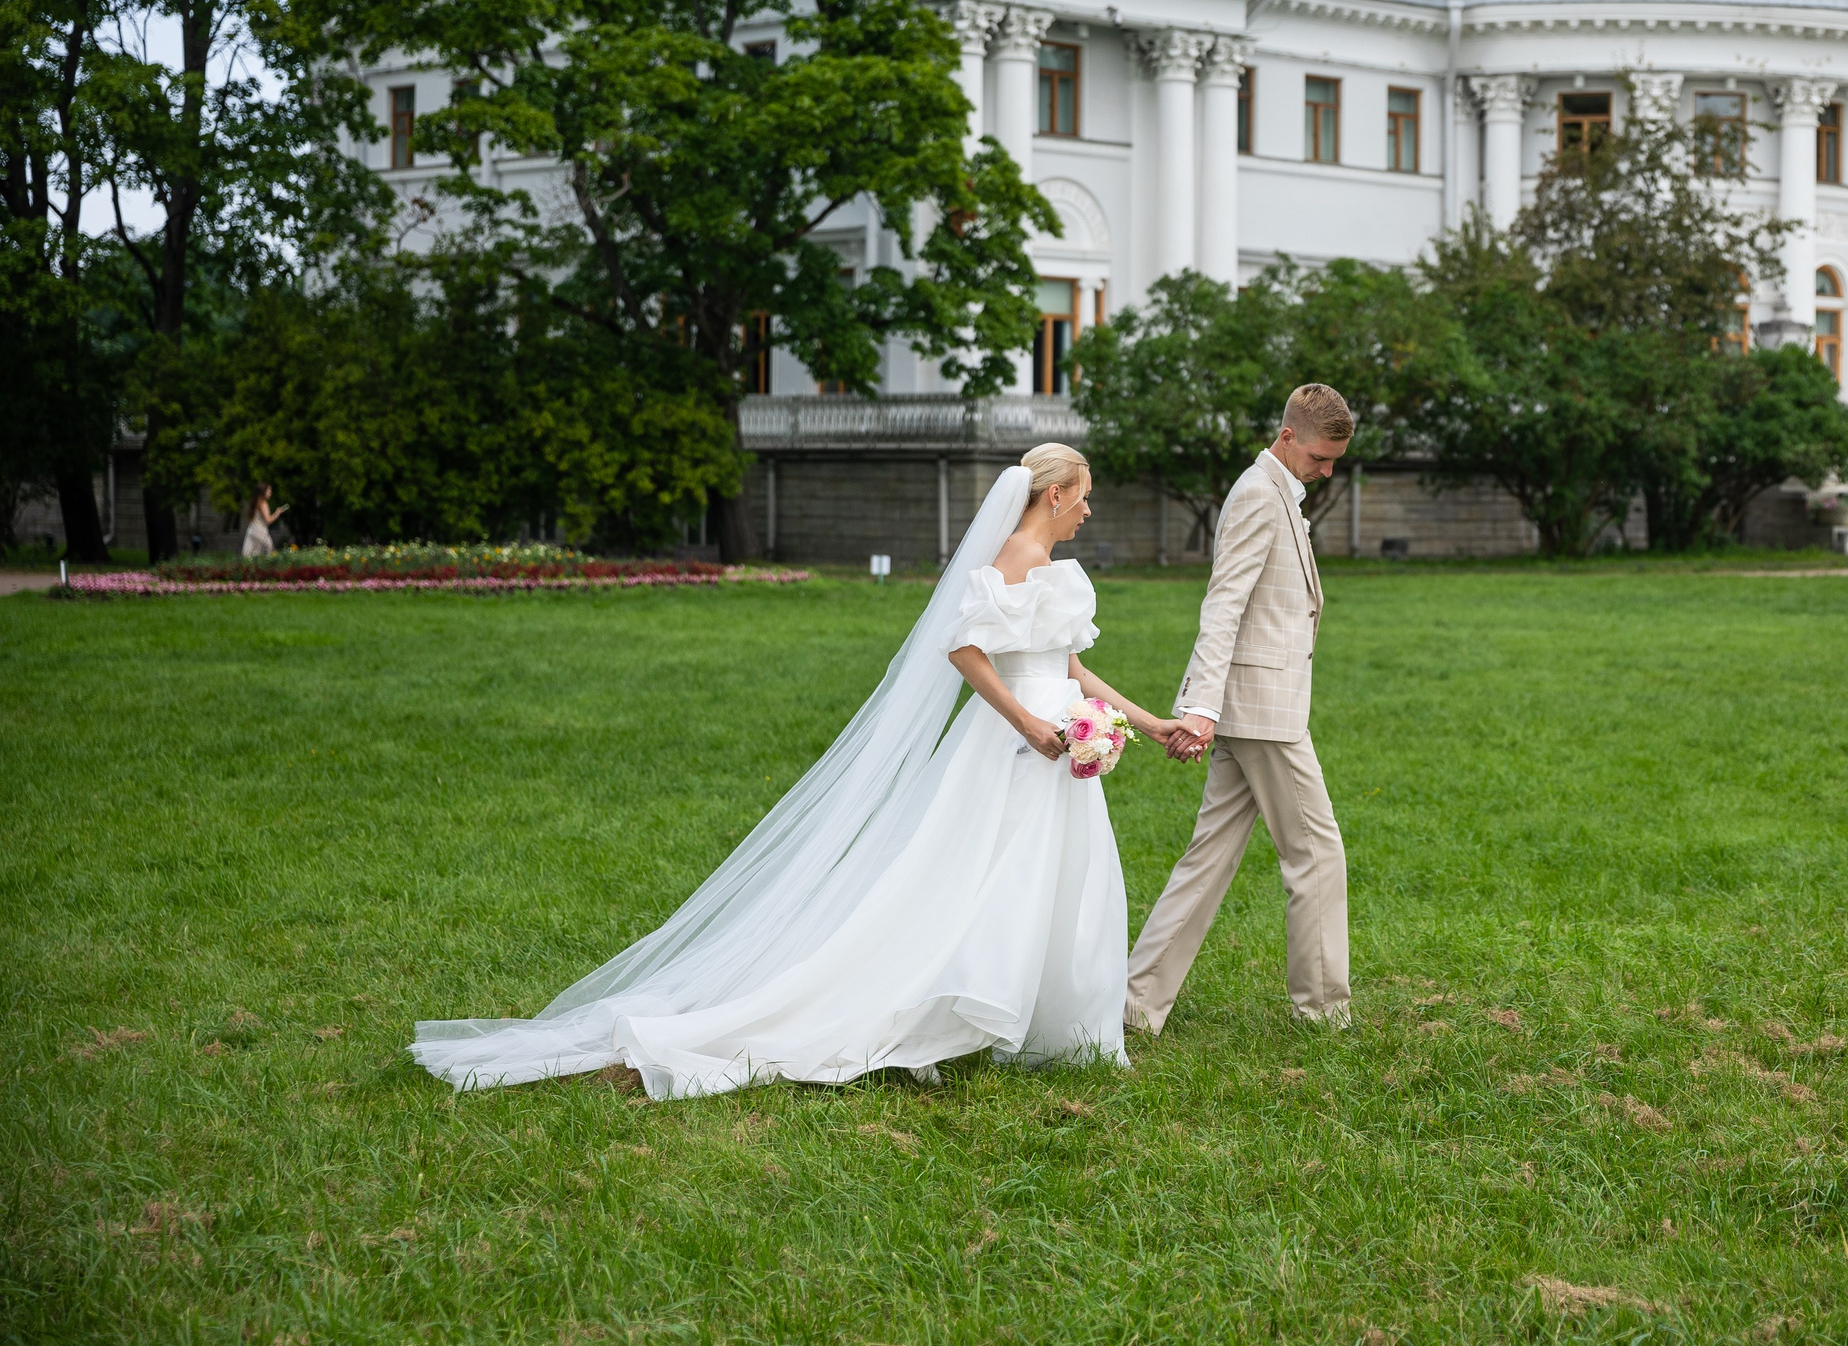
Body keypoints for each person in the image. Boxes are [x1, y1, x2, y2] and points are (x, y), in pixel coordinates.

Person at [411, 444, 1177, 1099]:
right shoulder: (1014, 559)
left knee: (1064, 881)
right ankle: (949, 1008)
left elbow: (1072, 665)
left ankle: (1057, 1027)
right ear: (1055, 493)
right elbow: (964, 650)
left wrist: (1142, 722)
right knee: (985, 877)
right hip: (1016, 744)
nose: (1089, 512)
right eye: (1085, 499)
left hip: (1062, 743)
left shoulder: (1054, 569)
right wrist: (1028, 722)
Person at [1126, 384, 1356, 1034]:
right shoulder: (1258, 494)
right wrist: (1200, 705)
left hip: (1256, 705)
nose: (1328, 469)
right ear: (1287, 438)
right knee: (1316, 854)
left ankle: (1137, 1004)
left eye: (1335, 458)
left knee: (1209, 859)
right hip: (1260, 712)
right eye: (1320, 456)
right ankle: (1324, 1011)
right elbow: (1223, 605)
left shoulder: (1281, 490)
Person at [241, 484, 288, 558]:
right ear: (263, 492)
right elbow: (268, 520)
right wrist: (277, 513)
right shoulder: (263, 503)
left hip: (252, 530)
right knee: (269, 550)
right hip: (260, 531)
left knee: (249, 554)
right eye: (268, 490)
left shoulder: (256, 502)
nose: (270, 492)